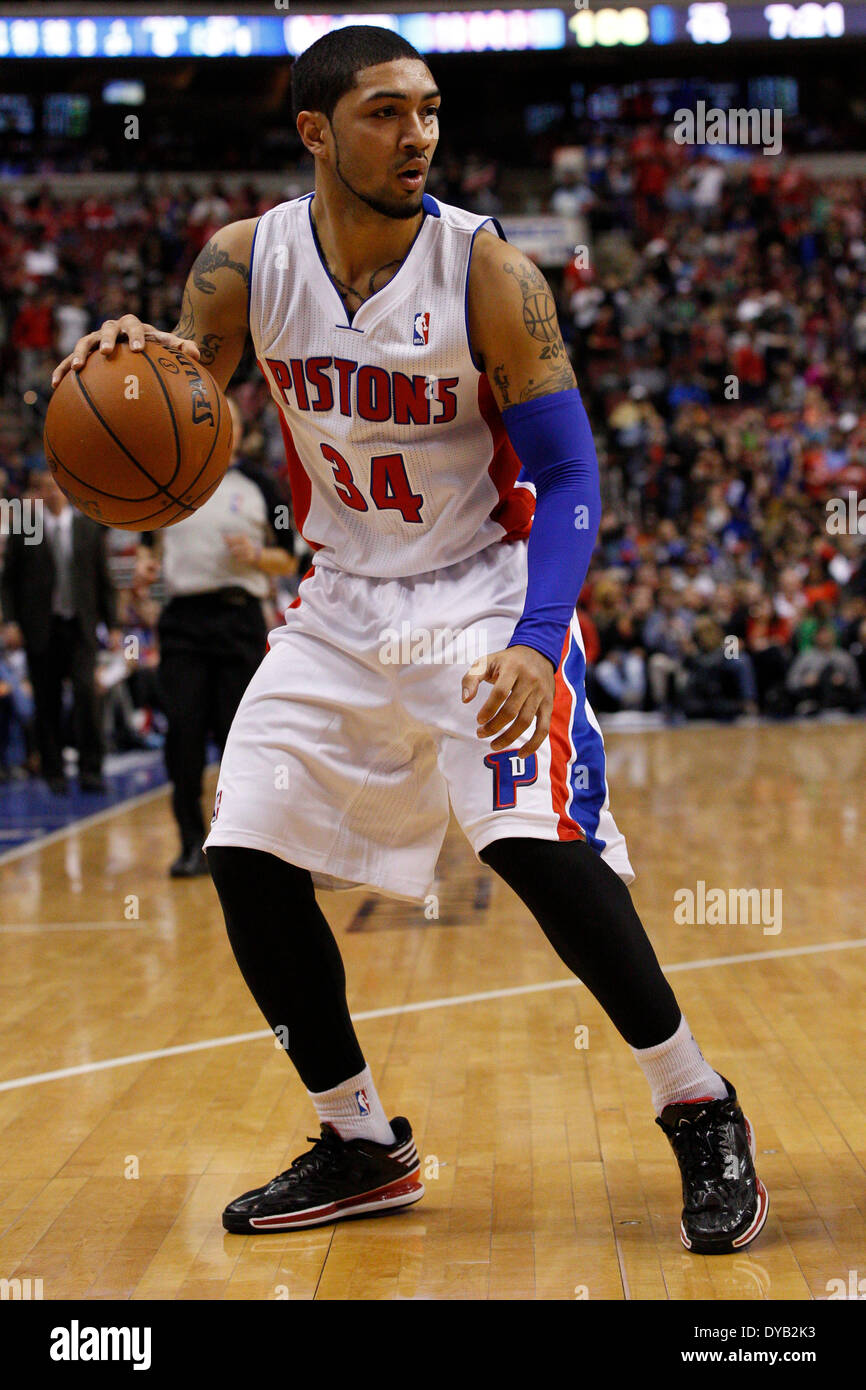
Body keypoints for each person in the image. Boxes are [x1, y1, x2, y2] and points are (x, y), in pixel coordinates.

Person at [51, 26, 768, 1255]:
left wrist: (538, 640)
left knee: (529, 840)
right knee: (245, 850)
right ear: (316, 133)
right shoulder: (239, 265)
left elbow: (570, 473)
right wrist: (122, 358)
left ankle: (695, 1103)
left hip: (484, 588)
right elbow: (184, 414)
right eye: (386, 112)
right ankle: (361, 1140)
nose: (419, 134)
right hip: (337, 599)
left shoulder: (489, 272)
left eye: (429, 109)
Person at [134, 396, 296, 876]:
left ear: (237, 429)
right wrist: (144, 569)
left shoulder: (262, 486)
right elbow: (148, 548)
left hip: (238, 617)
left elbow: (288, 559)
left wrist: (256, 555)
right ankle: (189, 843)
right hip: (183, 621)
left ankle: (245, 844)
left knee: (238, 738)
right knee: (181, 735)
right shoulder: (167, 484)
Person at [1, 467, 119, 794]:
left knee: (87, 695)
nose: (51, 492)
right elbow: (8, 579)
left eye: (55, 486)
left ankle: (91, 769)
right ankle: (53, 771)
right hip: (40, 627)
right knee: (47, 701)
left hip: (79, 626)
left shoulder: (86, 524)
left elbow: (103, 579)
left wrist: (114, 625)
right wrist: (10, 621)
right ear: (37, 493)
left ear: (66, 489)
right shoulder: (28, 526)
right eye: (43, 487)